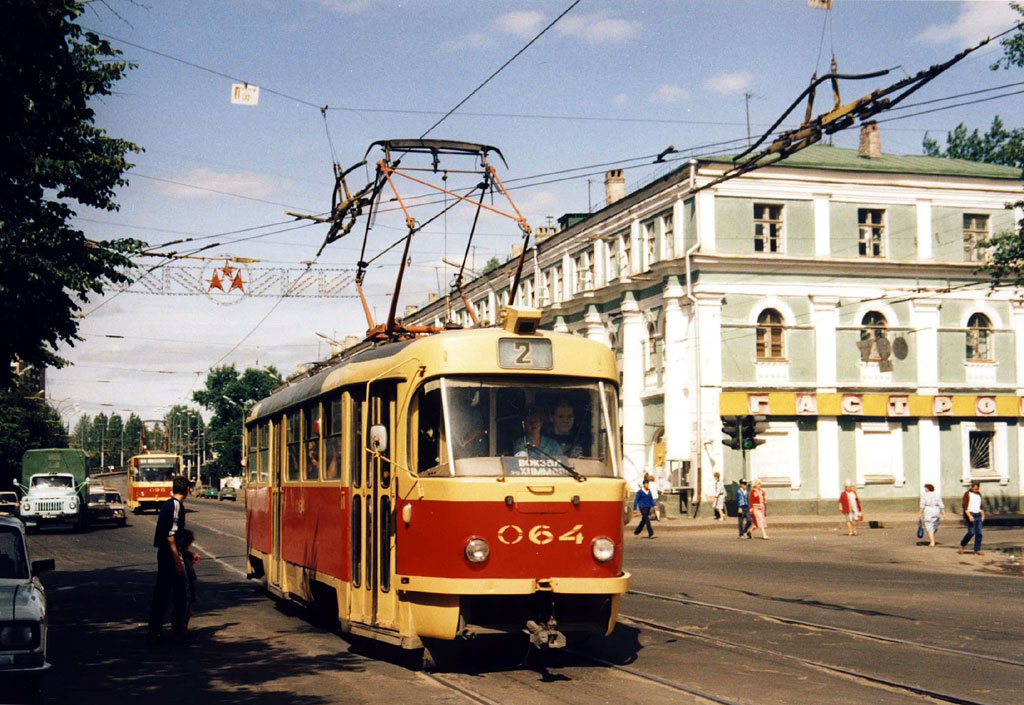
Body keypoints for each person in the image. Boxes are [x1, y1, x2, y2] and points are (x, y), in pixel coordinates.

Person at [148, 475, 191, 643]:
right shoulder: (176, 505)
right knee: (181, 593)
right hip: (170, 554)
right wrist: (178, 561)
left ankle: (157, 632)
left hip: (166, 553)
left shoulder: (168, 504)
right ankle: (177, 632)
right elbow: (170, 536)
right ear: (187, 490)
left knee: (165, 593)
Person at [176, 528, 201, 630]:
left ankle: (180, 627)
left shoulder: (183, 553)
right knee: (188, 600)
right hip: (186, 579)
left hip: (183, 578)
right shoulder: (183, 556)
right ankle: (183, 627)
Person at [959, 481, 984, 555]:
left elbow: (981, 506)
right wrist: (969, 516)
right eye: (975, 489)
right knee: (971, 532)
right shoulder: (967, 494)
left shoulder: (979, 494)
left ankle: (977, 549)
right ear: (972, 487)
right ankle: (962, 544)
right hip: (971, 514)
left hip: (978, 514)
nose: (976, 490)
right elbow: (965, 506)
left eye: (977, 489)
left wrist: (983, 515)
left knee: (979, 533)